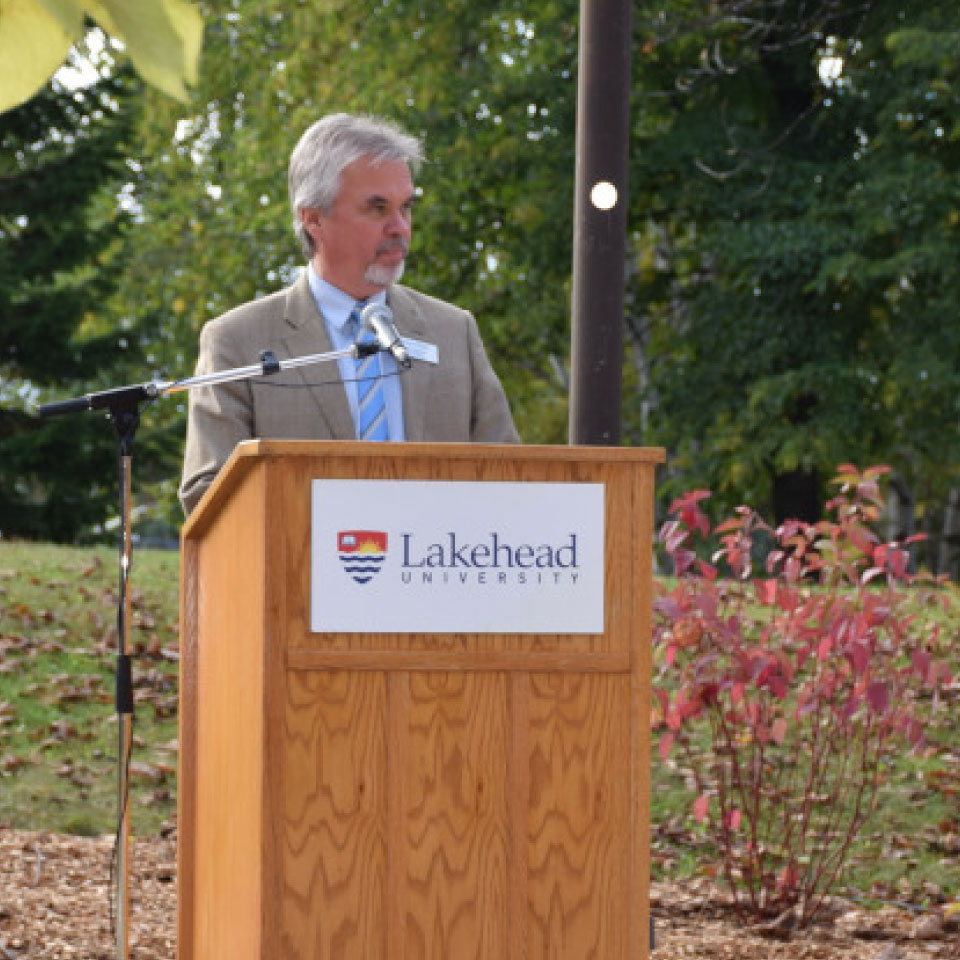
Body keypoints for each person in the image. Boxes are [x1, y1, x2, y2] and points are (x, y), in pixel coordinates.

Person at [178, 113, 519, 514]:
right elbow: (208, 496)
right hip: (299, 571)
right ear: (314, 219)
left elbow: (510, 475)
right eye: (377, 209)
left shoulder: (452, 332)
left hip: (437, 569)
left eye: (405, 208)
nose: (400, 228)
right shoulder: (238, 340)